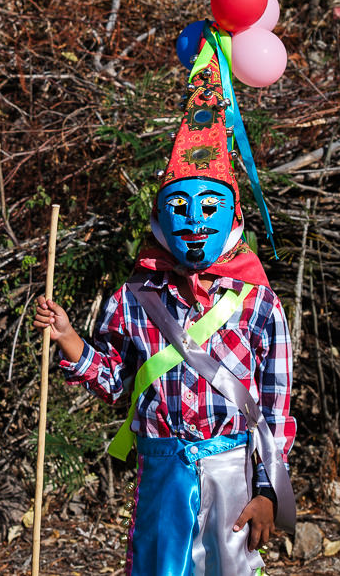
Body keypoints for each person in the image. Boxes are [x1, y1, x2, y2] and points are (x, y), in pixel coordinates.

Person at [34, 43, 296, 575]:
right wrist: (68, 338)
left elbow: (273, 408)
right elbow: (117, 381)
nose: (194, 220)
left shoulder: (260, 306)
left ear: (232, 216)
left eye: (208, 207)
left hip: (234, 470)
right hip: (161, 469)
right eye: (178, 208)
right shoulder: (134, 299)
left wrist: (270, 490)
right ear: (158, 219)